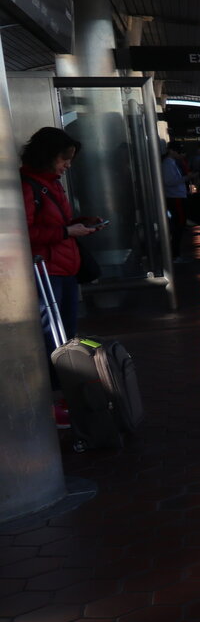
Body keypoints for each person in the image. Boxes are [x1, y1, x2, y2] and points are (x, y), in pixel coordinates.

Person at [21, 127, 105, 429]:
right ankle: (52, 402)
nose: (68, 165)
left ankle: (66, 396)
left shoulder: (51, 184)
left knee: (65, 336)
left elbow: (55, 223)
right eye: (63, 159)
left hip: (64, 270)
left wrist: (80, 223)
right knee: (50, 339)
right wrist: (67, 232)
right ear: (47, 156)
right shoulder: (28, 186)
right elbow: (23, 232)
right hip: (46, 272)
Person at [162, 142, 189, 262]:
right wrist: (187, 178)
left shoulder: (171, 163)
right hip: (175, 198)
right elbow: (170, 181)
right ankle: (175, 255)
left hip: (177, 197)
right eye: (178, 151)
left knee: (179, 225)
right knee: (179, 225)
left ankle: (176, 254)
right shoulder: (168, 164)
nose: (180, 154)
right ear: (171, 151)